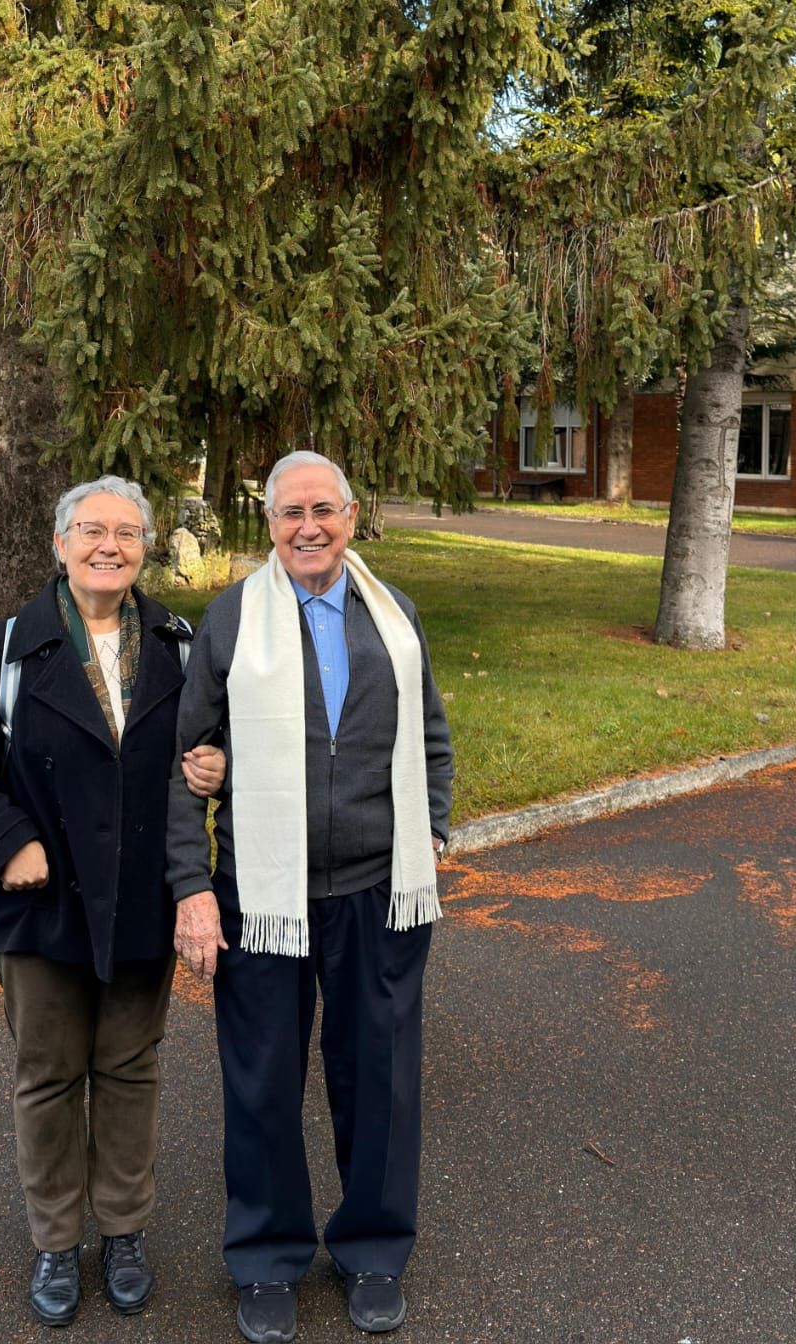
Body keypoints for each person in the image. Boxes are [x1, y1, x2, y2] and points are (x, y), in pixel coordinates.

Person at [168, 451, 453, 1343]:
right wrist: (191, 886)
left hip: (376, 890)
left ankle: (371, 1250)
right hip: (260, 896)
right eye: (290, 513)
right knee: (261, 1083)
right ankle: (266, 1259)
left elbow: (431, 736)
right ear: (269, 525)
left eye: (322, 510)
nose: (308, 528)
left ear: (352, 515)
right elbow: (186, 767)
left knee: (379, 1082)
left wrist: (431, 831)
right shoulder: (231, 621)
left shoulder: (393, 617)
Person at [0, 476, 225, 1327]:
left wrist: (216, 767)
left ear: (145, 547)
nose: (109, 545)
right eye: (90, 530)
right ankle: (57, 1240)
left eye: (126, 532)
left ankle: (124, 1231)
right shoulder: (6, 648)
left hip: (142, 899)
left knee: (130, 1071)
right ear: (59, 545)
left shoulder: (177, 641)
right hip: (43, 903)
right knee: (50, 1075)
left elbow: (204, 750)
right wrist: (7, 839)